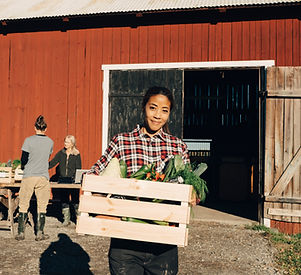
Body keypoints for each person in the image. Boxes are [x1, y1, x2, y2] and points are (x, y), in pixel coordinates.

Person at [89, 86, 190, 275]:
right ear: (144, 107)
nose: (157, 115)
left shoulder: (178, 146)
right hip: (125, 241)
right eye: (153, 108)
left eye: (164, 110)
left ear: (169, 114)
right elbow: (95, 175)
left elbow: (190, 189)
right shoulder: (121, 141)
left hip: (163, 243)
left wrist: (193, 196)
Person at [15, 115, 54, 241]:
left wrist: (23, 166)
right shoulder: (50, 142)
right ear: (46, 129)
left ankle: (21, 232)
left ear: (34, 127)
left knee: (24, 203)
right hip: (43, 175)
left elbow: (24, 158)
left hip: (29, 175)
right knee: (42, 205)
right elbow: (46, 157)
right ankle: (40, 233)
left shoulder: (28, 140)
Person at [49, 135, 82, 226]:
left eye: (67, 142)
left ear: (72, 143)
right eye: (65, 142)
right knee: (64, 200)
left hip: (73, 181)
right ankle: (66, 220)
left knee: (75, 201)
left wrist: (76, 179)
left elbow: (79, 168)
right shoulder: (61, 153)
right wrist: (42, 166)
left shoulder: (76, 154)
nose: (65, 144)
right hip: (63, 181)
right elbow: (52, 163)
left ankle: (78, 220)